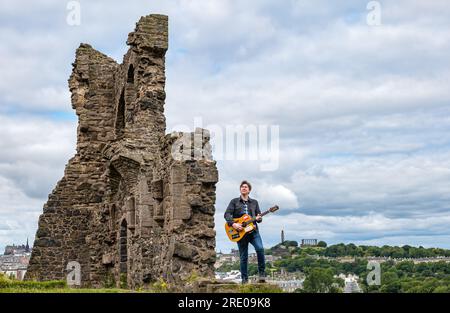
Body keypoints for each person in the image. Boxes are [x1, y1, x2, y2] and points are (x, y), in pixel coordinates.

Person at [224, 180, 266, 284]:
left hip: (253, 232)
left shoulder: (255, 202)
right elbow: (227, 214)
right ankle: (244, 280)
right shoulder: (234, 202)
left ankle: (262, 275)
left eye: (246, 187)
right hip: (240, 233)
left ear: (249, 190)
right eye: (242, 187)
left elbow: (259, 218)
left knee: (260, 249)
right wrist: (233, 224)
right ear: (240, 189)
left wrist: (259, 218)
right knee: (243, 257)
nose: (244, 188)